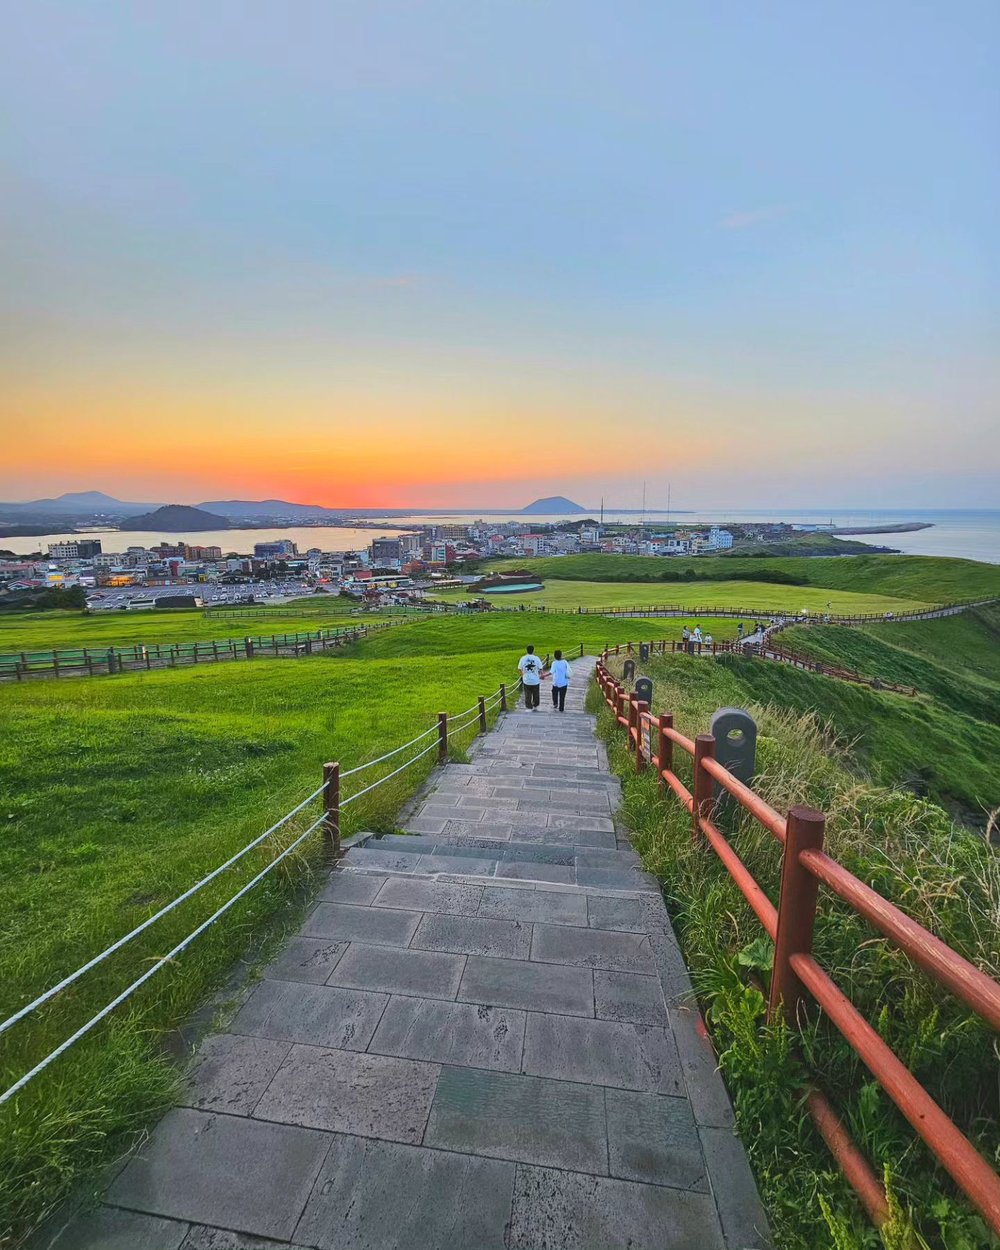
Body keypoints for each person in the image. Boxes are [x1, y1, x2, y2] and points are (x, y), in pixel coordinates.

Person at [518, 645, 543, 710]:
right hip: (535, 680)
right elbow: (540, 668)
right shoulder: (537, 658)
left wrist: (522, 676)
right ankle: (535, 705)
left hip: (526, 680)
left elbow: (519, 669)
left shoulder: (523, 658)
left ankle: (529, 707)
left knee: (527, 694)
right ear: (533, 650)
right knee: (536, 694)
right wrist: (542, 675)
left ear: (527, 650)